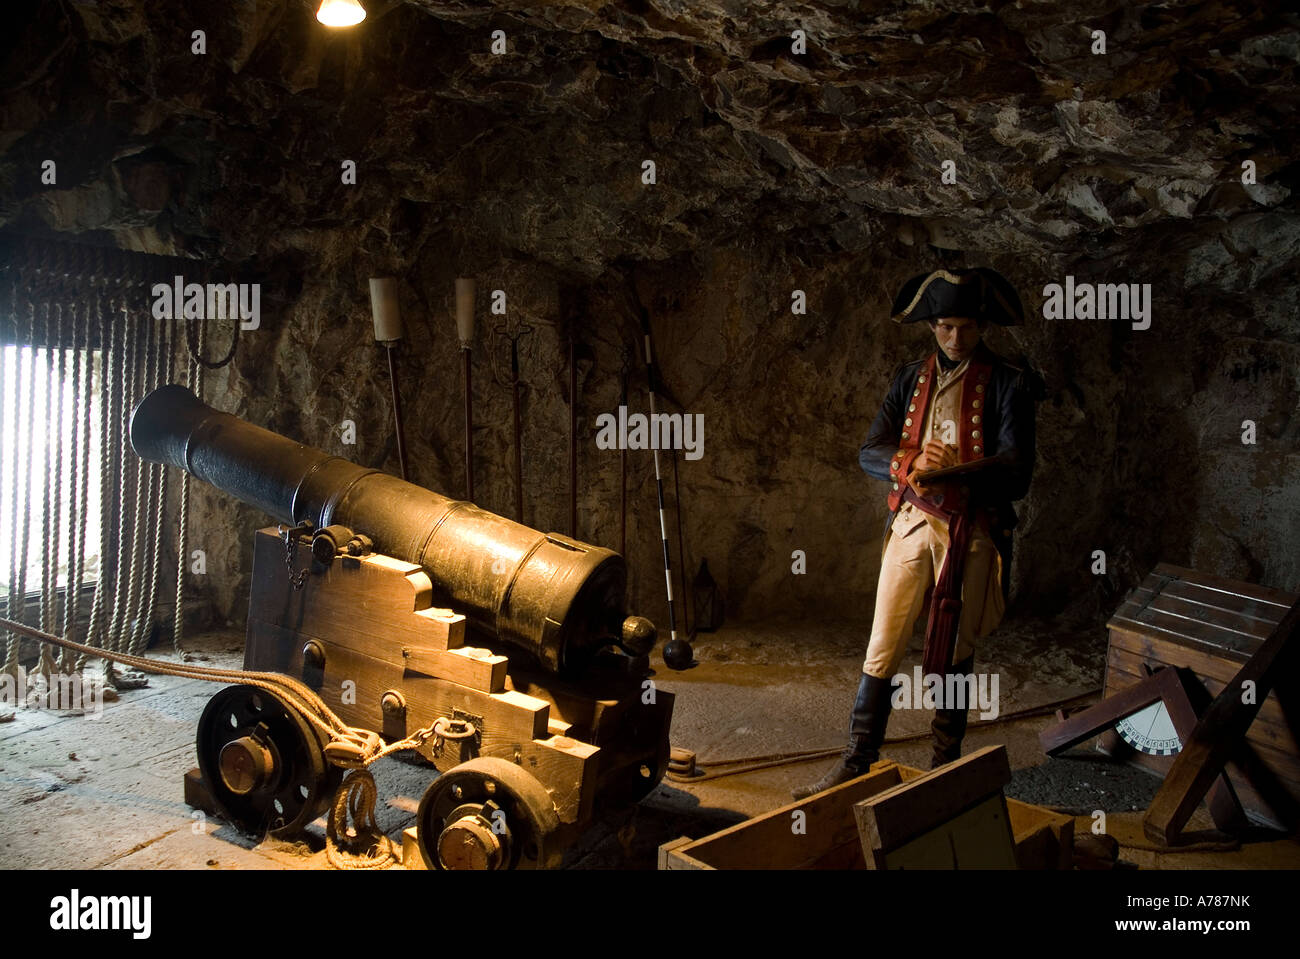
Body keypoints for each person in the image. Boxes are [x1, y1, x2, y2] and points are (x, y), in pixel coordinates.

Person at [793, 267, 1037, 799]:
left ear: (982, 326)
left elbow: (1018, 472)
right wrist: (911, 461)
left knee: (955, 646)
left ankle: (943, 764)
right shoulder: (909, 377)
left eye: (968, 328)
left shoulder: (1009, 380)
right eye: (947, 327)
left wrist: (958, 470)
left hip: (971, 529)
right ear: (931, 326)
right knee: (883, 642)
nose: (957, 339)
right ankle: (857, 760)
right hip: (911, 519)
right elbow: (869, 451)